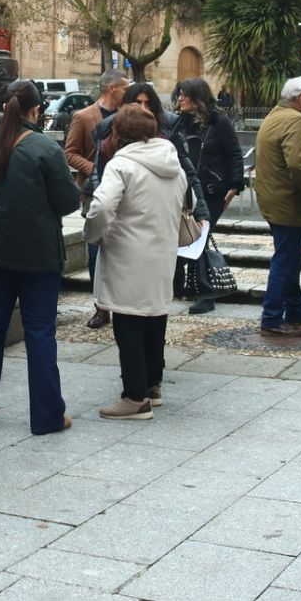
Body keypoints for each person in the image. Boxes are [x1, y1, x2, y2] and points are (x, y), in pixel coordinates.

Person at [0, 79, 81, 435]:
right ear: (36, 109)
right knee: (40, 332)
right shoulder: (44, 148)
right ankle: (47, 417)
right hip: (38, 253)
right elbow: (69, 201)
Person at [84, 104, 186, 420]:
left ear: (118, 134)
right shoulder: (174, 165)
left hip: (127, 254)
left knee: (127, 323)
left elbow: (101, 209)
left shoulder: (121, 166)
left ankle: (134, 397)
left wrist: (93, 234)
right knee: (155, 318)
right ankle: (152, 386)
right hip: (162, 253)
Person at [254, 77, 301, 339]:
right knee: (286, 259)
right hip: (287, 201)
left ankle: (294, 310)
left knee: (289, 256)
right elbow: (297, 163)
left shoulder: (275, 114)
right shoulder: (295, 119)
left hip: (272, 198)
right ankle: (271, 317)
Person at [173, 78, 244, 314]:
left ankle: (205, 292)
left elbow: (234, 154)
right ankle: (186, 285)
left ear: (197, 97)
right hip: (184, 191)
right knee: (188, 237)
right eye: (179, 94)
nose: (180, 98)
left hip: (212, 191)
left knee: (200, 238)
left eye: (184, 94)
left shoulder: (218, 121)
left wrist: (234, 185)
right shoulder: (179, 122)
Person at [66, 70, 129, 328]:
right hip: (94, 191)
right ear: (112, 88)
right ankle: (101, 307)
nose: (129, 90)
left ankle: (123, 304)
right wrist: (96, 168)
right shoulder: (83, 116)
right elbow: (70, 153)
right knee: (95, 250)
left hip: (126, 189)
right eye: (126, 86)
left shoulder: (130, 116)